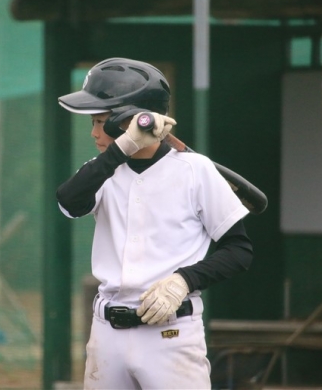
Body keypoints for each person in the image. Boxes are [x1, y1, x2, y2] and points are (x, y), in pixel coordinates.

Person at [56, 58, 253, 389]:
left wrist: (183, 280)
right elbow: (68, 201)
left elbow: (239, 250)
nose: (94, 133)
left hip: (170, 333)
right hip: (107, 333)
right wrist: (122, 148)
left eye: (101, 122)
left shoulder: (194, 169)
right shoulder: (102, 168)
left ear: (129, 120)